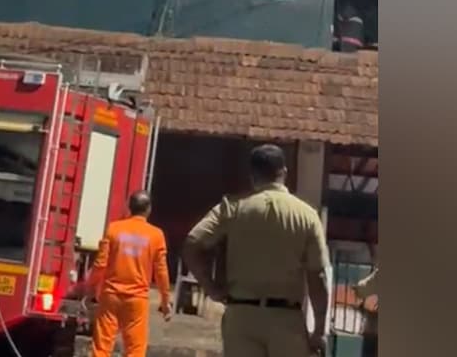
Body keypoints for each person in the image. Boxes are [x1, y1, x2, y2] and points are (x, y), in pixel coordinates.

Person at [182, 144, 331, 357]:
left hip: (241, 317)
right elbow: (318, 275)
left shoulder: (233, 207)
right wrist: (319, 330)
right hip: (287, 319)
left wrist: (211, 286)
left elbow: (192, 243)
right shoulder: (307, 215)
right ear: (284, 172)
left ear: (252, 175)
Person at [85, 191, 172, 357]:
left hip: (110, 296)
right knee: (135, 350)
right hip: (137, 300)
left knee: (102, 347)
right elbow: (161, 271)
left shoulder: (114, 228)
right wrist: (165, 301)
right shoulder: (156, 235)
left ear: (129, 207)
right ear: (149, 209)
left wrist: (90, 289)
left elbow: (100, 263)